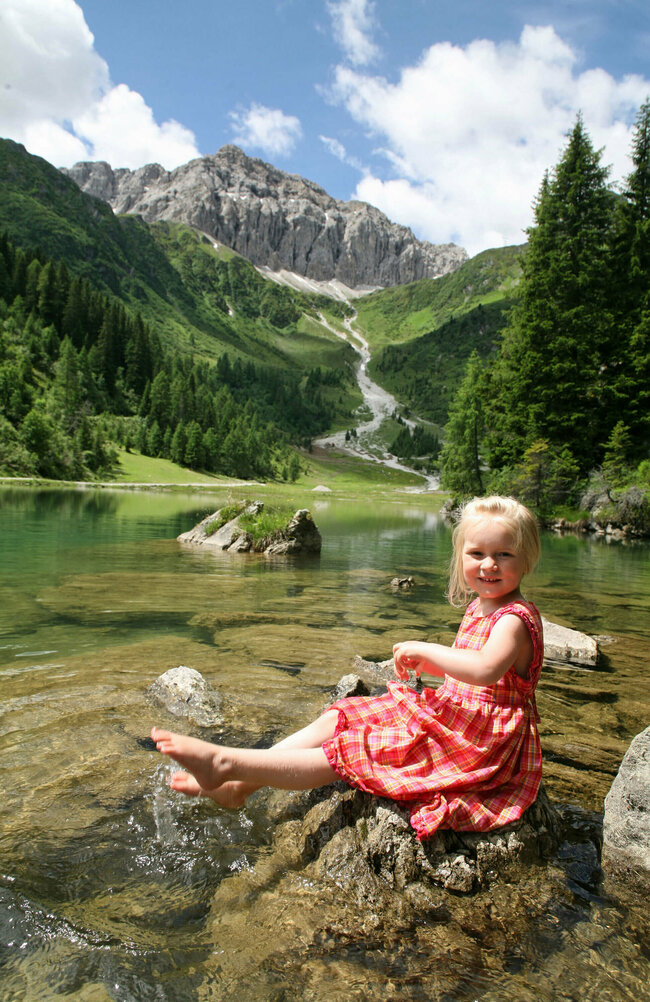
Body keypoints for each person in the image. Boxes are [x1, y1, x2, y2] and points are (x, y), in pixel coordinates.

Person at [152, 495, 544, 839]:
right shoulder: (480, 606)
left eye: (503, 555)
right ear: (461, 558)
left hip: (481, 741)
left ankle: (227, 762)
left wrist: (429, 651)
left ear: (526, 559)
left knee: (356, 749)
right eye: (477, 554)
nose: (489, 564)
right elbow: (472, 677)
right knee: (342, 715)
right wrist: (431, 666)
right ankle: (239, 786)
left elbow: (486, 670)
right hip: (457, 716)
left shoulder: (514, 618)